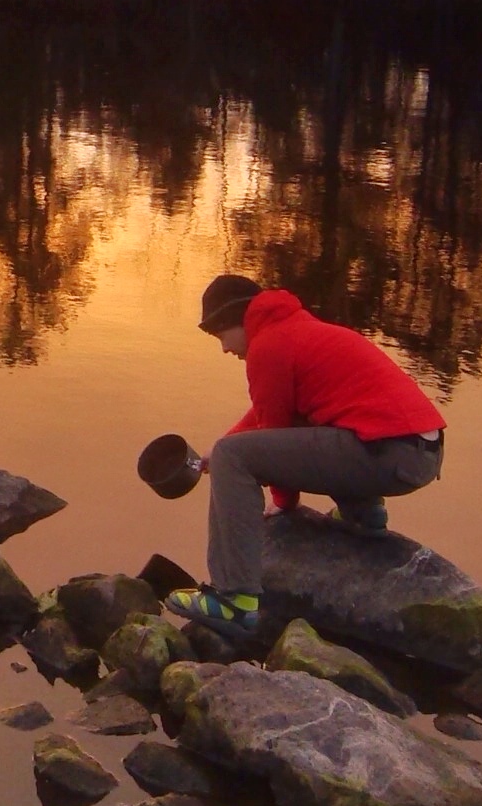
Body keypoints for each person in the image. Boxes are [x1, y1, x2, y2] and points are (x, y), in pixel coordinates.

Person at [164, 272, 445, 643]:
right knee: (255, 439)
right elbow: (278, 415)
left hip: (388, 452)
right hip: (418, 450)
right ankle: (363, 517)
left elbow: (273, 433)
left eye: (221, 336)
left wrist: (283, 501)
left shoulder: (268, 347)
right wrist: (225, 442)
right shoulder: (295, 328)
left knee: (234, 456)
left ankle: (234, 598)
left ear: (237, 320)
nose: (225, 349)